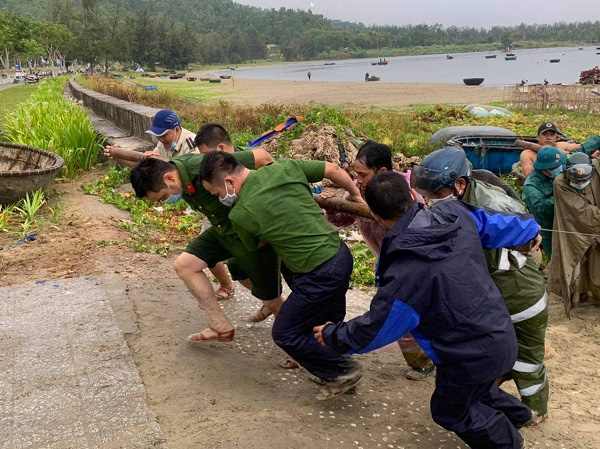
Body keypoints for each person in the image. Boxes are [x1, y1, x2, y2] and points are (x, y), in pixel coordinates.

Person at [314, 171, 539, 449]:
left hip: (467, 355)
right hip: (500, 335)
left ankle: (509, 442)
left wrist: (334, 335)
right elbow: (499, 222)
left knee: (448, 410)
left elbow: (377, 328)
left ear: (373, 214)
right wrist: (530, 231)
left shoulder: (405, 274)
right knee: (468, 388)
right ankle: (522, 414)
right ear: (412, 195)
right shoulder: (454, 212)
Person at [199, 151, 365, 400]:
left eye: (217, 193)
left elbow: (257, 246)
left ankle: (343, 372)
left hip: (317, 273)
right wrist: (354, 195)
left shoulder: (241, 214)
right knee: (326, 323)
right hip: (340, 256)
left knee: (285, 333)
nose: (219, 199)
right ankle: (334, 369)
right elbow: (333, 170)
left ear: (230, 183)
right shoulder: (286, 167)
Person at [412, 147, 550, 424]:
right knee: (490, 357)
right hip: (495, 298)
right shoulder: (463, 202)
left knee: (528, 360)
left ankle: (535, 410)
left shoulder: (486, 207)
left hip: (521, 298)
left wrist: (531, 234)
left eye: (434, 195)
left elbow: (523, 229)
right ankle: (494, 400)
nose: (430, 202)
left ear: (460, 184)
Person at [130, 149, 284, 343]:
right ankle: (221, 325)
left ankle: (301, 343)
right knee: (185, 265)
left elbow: (262, 156)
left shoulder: (201, 166)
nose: (165, 202)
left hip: (250, 234)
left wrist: (276, 198)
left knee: (272, 299)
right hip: (224, 230)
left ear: (169, 178)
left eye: (162, 197)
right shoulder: (177, 174)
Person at [325, 141, 435, 381]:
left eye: (363, 174)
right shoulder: (358, 190)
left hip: (407, 262)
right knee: (399, 314)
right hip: (384, 260)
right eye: (356, 174)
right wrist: (333, 207)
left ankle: (426, 361)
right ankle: (425, 357)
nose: (358, 179)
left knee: (404, 314)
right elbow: (342, 220)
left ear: (382, 172)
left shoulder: (404, 193)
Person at [548, 152, 600, 317]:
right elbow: (581, 213)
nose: (580, 183)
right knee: (572, 264)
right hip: (574, 230)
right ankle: (576, 294)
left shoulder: (596, 172)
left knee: (596, 271)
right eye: (576, 180)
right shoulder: (560, 183)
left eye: (584, 180)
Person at [104, 110, 198, 167]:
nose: (160, 139)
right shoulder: (163, 143)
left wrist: (158, 160)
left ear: (176, 130)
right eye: (158, 135)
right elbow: (149, 166)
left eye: (164, 135)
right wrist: (121, 156)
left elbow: (191, 169)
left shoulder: (192, 143)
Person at [522, 146, 567, 260]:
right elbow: (541, 208)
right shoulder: (531, 186)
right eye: (555, 167)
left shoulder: (562, 170)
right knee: (558, 259)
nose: (559, 169)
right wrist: (562, 194)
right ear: (544, 169)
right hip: (549, 227)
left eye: (560, 165)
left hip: (567, 221)